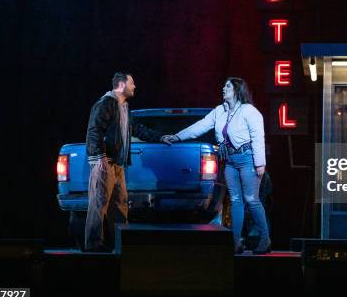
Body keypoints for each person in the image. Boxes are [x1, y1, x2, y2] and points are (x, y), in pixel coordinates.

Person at [161, 77, 270, 254]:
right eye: (224, 85)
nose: (223, 88)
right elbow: (201, 125)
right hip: (230, 162)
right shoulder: (219, 111)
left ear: (237, 89)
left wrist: (260, 163)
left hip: (248, 158)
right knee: (235, 200)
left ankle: (265, 240)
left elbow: (258, 137)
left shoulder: (249, 111)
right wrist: (178, 136)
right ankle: (235, 243)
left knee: (251, 199)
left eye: (227, 86)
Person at [85, 71, 164, 252]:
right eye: (132, 83)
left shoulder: (124, 107)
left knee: (119, 205)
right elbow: (94, 130)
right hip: (104, 162)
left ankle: (120, 244)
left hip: (118, 165)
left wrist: (161, 137)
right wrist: (99, 157)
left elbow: (137, 129)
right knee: (99, 204)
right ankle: (93, 244)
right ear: (121, 85)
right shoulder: (105, 104)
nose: (134, 86)